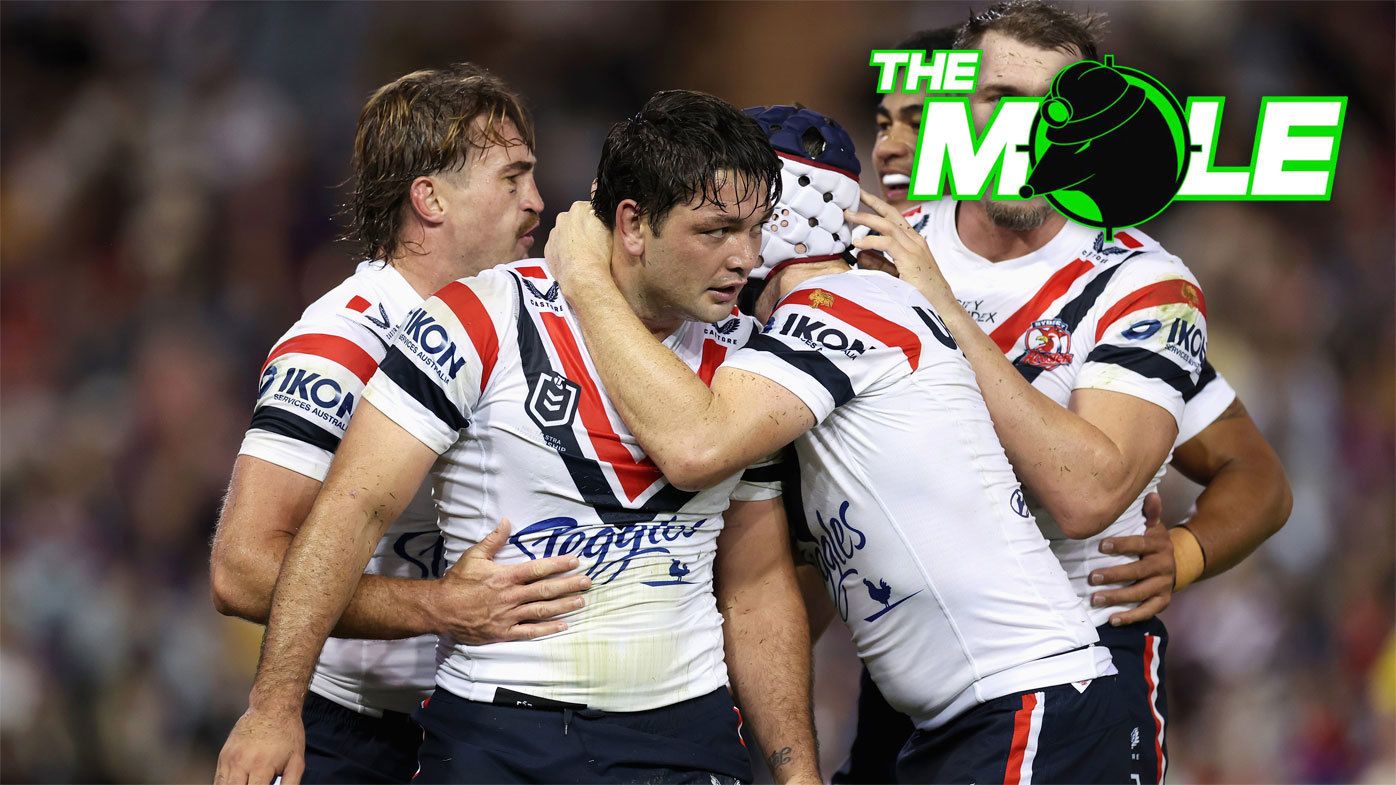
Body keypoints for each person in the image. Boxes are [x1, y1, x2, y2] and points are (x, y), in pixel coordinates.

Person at [215, 89, 820, 785]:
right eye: (715, 231)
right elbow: (347, 509)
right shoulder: (455, 321)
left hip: (682, 733)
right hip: (474, 729)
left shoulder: (749, 359)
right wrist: (274, 705)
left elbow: (757, 582)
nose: (745, 257)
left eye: (756, 230)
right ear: (631, 223)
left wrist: (797, 772)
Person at [545, 104, 1130, 784]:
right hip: (973, 717)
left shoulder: (846, 307)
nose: (732, 247)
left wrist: (585, 278)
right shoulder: (827, 330)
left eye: (741, 219)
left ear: (777, 220)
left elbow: (694, 445)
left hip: (1025, 703)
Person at [835, 8, 1292, 780]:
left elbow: (1126, 490)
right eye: (997, 97)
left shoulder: (1138, 280)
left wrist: (1184, 551)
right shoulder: (880, 245)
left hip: (1073, 670)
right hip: (907, 677)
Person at [208, 63, 590, 784]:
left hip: (489, 726)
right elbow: (241, 569)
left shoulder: (521, 322)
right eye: (512, 178)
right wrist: (441, 606)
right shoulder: (340, 343)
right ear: (431, 197)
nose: (538, 202)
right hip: (359, 735)